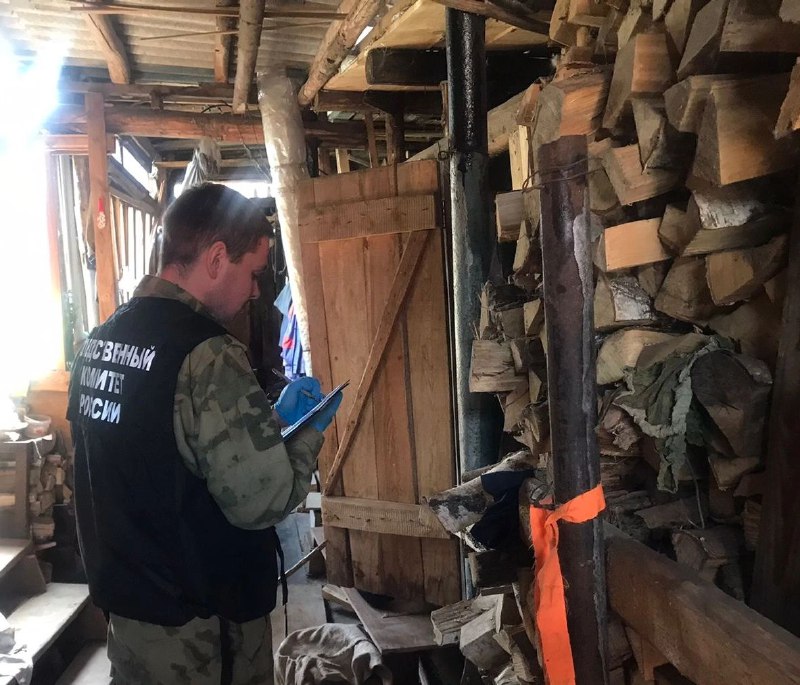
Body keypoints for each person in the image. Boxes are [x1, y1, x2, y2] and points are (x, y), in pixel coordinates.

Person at [67, 183, 341, 685]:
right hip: (203, 634)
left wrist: (269, 421)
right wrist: (310, 432)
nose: (255, 292)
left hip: (132, 621)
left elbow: (160, 451)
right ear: (217, 258)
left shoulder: (98, 343)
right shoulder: (208, 353)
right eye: (253, 273)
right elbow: (263, 500)